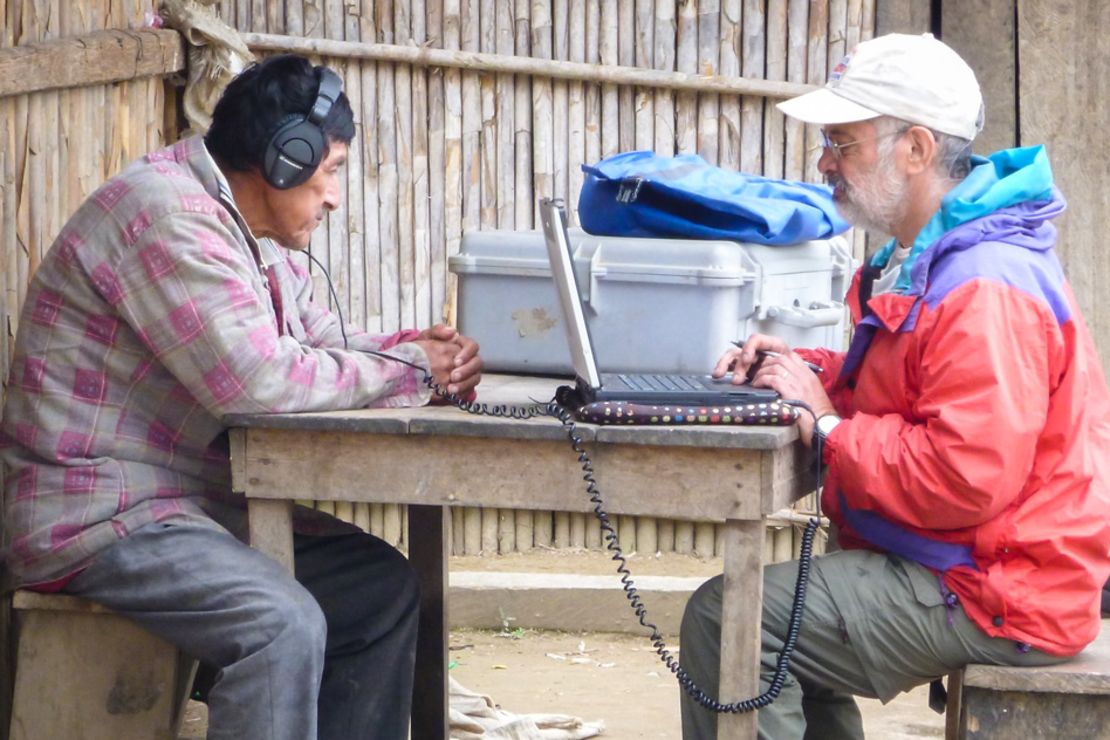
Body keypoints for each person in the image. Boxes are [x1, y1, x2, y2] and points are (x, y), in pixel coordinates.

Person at [0, 54, 482, 740]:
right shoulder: (167, 217)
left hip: (181, 503)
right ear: (286, 159)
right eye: (332, 170)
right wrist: (414, 369)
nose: (336, 197)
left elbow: (318, 337)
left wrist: (422, 349)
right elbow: (259, 380)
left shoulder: (247, 229)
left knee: (378, 589)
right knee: (277, 623)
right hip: (97, 514)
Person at [679, 33, 1110, 739]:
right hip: (983, 570)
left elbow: (965, 473)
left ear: (914, 149)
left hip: (996, 591)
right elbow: (912, 396)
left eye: (842, 143)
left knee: (732, 618)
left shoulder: (984, 284)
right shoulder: (935, 256)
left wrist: (830, 426)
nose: (825, 163)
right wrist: (807, 373)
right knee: (782, 618)